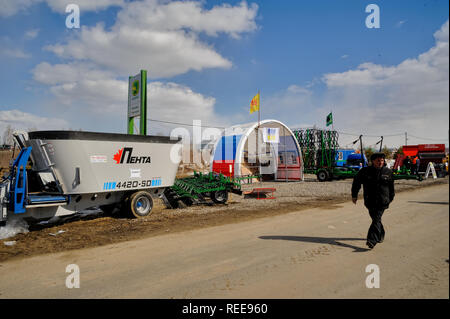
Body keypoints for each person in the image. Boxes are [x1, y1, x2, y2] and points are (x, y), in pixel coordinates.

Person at [351, 152, 395, 249]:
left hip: (382, 201)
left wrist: (391, 198)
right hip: (370, 200)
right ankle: (381, 233)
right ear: (373, 161)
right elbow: (356, 183)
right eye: (378, 160)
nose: (380, 162)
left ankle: (371, 240)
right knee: (376, 219)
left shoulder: (388, 172)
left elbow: (391, 187)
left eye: (382, 160)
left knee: (376, 219)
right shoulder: (365, 171)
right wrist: (354, 195)